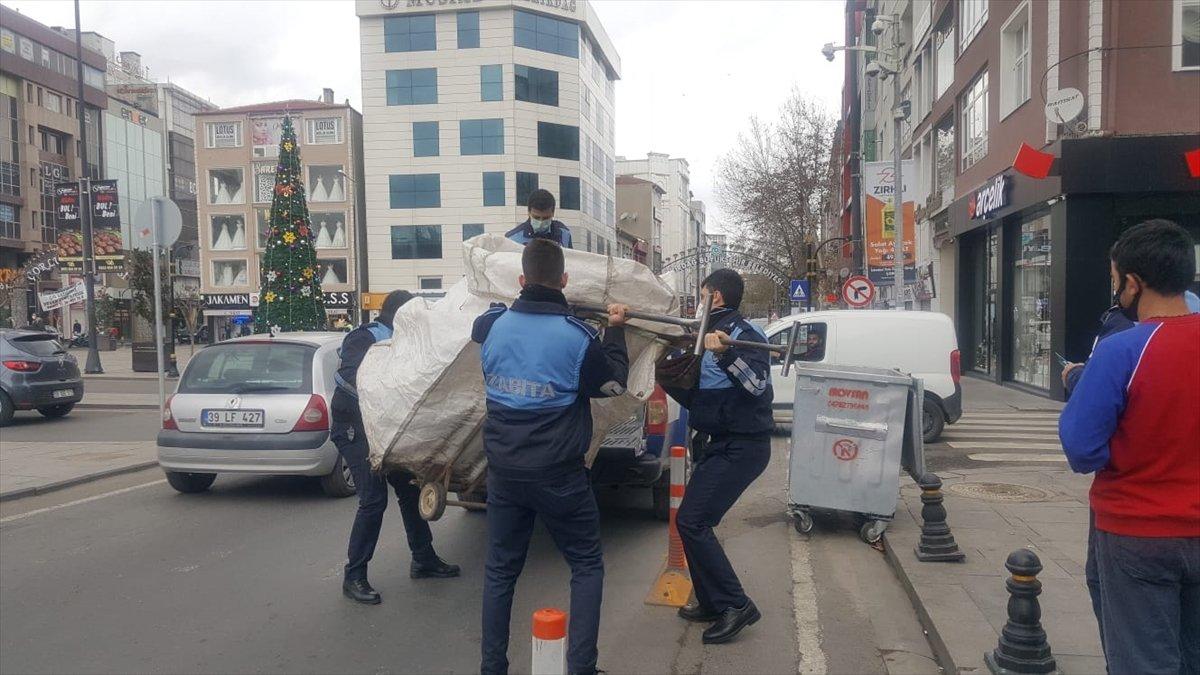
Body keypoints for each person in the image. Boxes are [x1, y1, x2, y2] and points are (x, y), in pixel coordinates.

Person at [472, 239, 628, 675]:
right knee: (586, 565)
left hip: (503, 472)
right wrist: (614, 328)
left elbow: (492, 322)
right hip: (559, 475)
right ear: (564, 280)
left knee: (501, 571)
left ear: (521, 280)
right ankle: (580, 668)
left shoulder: (489, 327)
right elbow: (612, 386)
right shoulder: (579, 340)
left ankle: (492, 668)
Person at [1058, 219, 1199, 675]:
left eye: (1116, 280)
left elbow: (1081, 447)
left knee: (1144, 661)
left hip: (1137, 533)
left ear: (1133, 283)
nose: (1115, 290)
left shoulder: (1123, 350)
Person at [660, 268, 773, 645]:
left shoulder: (743, 335)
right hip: (718, 442)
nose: (698, 298)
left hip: (744, 446)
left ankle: (735, 604)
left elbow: (757, 386)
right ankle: (711, 600)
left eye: (702, 292)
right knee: (690, 521)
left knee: (692, 521)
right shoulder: (700, 338)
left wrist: (726, 355)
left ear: (717, 298)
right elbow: (701, 397)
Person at [332, 289, 460, 605]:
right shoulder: (366, 337)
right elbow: (352, 378)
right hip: (356, 426)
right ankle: (355, 575)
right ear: (402, 316)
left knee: (408, 489)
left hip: (389, 429)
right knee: (374, 500)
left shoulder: (411, 341)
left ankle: (423, 558)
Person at [505, 188, 573, 248]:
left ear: (553, 213)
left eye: (546, 218)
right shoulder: (512, 239)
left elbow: (571, 260)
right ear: (528, 212)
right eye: (536, 217)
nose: (541, 222)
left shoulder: (564, 234)